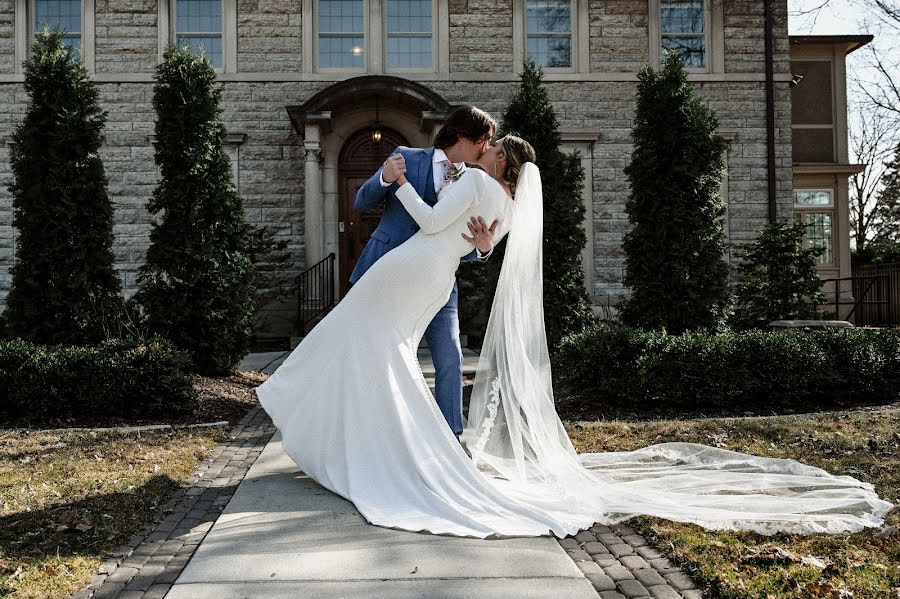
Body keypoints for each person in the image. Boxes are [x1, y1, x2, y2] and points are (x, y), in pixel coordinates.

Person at [255, 135, 893, 539]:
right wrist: (471, 244)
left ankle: (353, 438)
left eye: (494, 147)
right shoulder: (505, 212)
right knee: (375, 350)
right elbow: (474, 248)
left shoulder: (476, 182)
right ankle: (360, 440)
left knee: (358, 339)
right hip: (433, 279)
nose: (486, 149)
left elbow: (426, 223)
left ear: (501, 163)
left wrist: (398, 185)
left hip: (411, 268)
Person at [350, 105, 499, 441]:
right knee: (379, 358)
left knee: (450, 356)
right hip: (388, 275)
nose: (487, 148)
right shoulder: (405, 157)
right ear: (462, 136)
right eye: (484, 140)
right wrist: (385, 177)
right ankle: (376, 435)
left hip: (438, 283)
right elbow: (362, 203)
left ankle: (452, 439)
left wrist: (483, 248)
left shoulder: (477, 180)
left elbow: (468, 241)